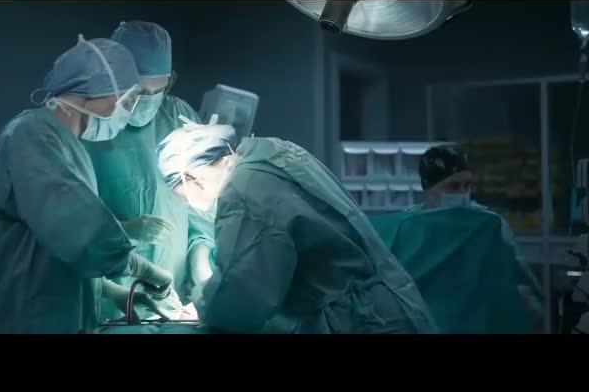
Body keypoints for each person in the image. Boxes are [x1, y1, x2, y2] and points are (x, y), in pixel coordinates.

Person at [0, 36, 174, 334]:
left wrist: (112, 292)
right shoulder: (33, 136)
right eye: (126, 100)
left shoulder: (66, 145)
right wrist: (146, 270)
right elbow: (82, 234)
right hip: (16, 315)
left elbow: (54, 247)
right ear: (98, 91)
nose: (125, 111)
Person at [156, 121, 438, 334]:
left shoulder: (244, 192)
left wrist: (203, 304)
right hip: (387, 307)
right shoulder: (270, 155)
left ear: (191, 177)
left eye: (186, 198)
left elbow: (243, 299)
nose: (195, 205)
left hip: (362, 320)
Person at [83, 21, 213, 322]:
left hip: (172, 296)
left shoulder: (180, 117)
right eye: (138, 91)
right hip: (105, 297)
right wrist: (124, 230)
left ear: (171, 80)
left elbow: (201, 216)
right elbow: (66, 226)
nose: (145, 102)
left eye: (157, 91)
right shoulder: (92, 125)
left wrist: (201, 270)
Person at [369, 144, 544, 333]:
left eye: (467, 185)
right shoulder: (408, 226)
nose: (462, 193)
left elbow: (519, 280)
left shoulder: (487, 225)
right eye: (453, 186)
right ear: (428, 186)